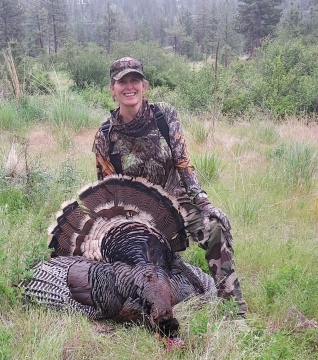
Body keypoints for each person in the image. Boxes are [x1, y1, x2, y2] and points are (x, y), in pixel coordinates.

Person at [92, 57, 248, 318]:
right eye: (122, 82)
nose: (129, 87)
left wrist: (203, 203)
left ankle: (234, 309)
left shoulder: (164, 115)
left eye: (135, 80)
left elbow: (184, 163)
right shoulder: (105, 136)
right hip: (136, 216)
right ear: (112, 88)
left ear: (145, 85)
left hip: (177, 202)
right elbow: (107, 192)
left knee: (214, 228)